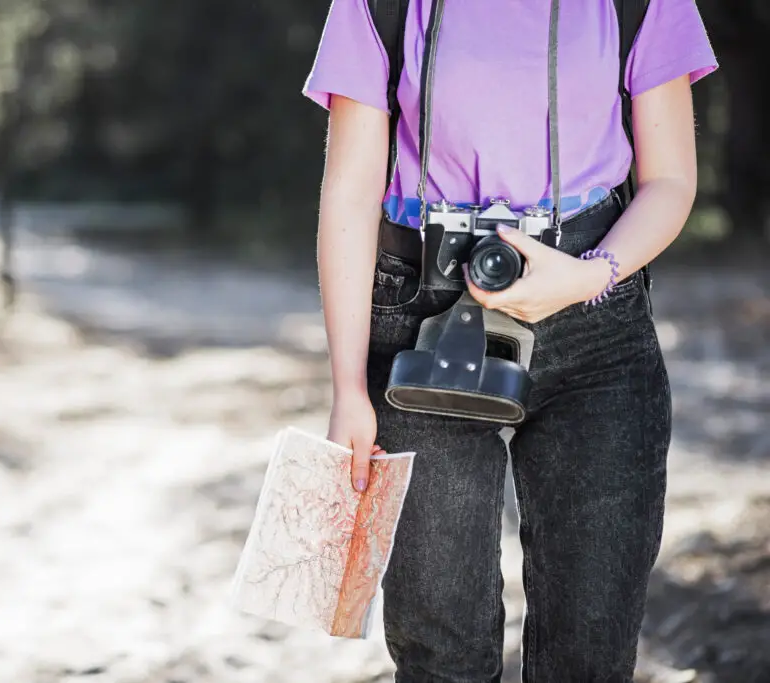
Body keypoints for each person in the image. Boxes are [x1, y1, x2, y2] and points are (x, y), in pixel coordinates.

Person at [303, 1, 718, 681]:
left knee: (590, 654)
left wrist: (591, 276)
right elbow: (350, 192)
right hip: (421, 313)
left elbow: (670, 179)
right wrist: (348, 388)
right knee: (442, 656)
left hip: (595, 319)